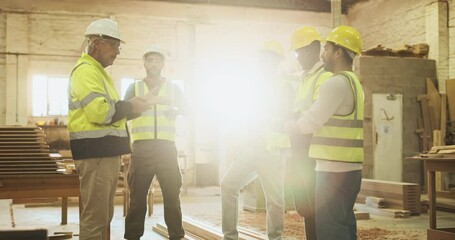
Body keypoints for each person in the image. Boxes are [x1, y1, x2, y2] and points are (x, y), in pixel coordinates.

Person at [68, 18, 153, 240]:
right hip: (95, 153)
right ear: (97, 43)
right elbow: (100, 113)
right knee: (95, 218)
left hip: (104, 153)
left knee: (103, 216)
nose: (117, 52)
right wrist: (130, 106)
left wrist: (136, 107)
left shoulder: (99, 73)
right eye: (114, 45)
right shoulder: (86, 71)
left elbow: (113, 112)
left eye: (118, 46)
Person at [285, 25, 364, 240]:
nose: (323, 55)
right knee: (344, 224)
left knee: (330, 229)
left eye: (327, 49)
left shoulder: (335, 83)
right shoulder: (354, 82)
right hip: (351, 169)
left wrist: (287, 126)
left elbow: (310, 121)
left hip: (332, 169)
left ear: (339, 52)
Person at [221, 40, 293, 240]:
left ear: (277, 61)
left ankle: (275, 237)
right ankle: (230, 236)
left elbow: (289, 117)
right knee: (228, 185)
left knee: (275, 200)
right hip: (250, 148)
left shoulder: (285, 86)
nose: (264, 62)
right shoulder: (254, 85)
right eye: (262, 58)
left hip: (273, 150)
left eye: (269, 58)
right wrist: (240, 143)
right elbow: (246, 117)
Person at [124, 45, 187, 240]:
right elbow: (123, 113)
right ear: (144, 63)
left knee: (172, 198)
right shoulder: (134, 88)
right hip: (142, 149)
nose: (153, 63)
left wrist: (176, 111)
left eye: (157, 60)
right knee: (137, 198)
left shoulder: (174, 88)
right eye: (150, 60)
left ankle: (176, 236)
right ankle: (133, 236)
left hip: (167, 149)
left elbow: (189, 109)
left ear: (163, 64)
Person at [287, 26, 333, 240]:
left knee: (314, 206)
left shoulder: (323, 76)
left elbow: (316, 112)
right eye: (296, 53)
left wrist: (293, 118)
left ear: (315, 48)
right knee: (305, 205)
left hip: (312, 150)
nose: (298, 57)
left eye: (301, 51)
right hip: (299, 148)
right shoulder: (304, 77)